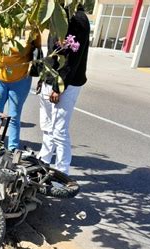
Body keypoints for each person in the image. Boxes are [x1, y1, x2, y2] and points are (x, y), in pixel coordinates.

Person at [37, 5, 90, 174]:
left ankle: (62, 172)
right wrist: (43, 77)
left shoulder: (77, 19)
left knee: (59, 130)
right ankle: (43, 161)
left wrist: (58, 87)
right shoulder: (59, 14)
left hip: (66, 84)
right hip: (50, 80)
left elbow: (71, 60)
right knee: (46, 126)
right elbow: (53, 52)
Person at [0, 29, 41, 151]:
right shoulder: (2, 26)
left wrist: (41, 77)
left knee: (14, 116)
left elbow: (38, 54)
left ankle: (12, 148)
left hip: (20, 81)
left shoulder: (31, 29)